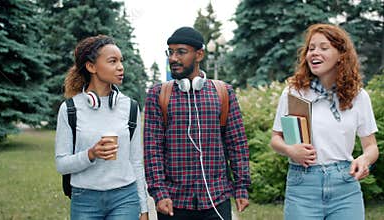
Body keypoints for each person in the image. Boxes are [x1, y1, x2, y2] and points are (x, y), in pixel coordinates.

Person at [271, 23, 379, 220]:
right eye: (311, 48)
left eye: (323, 47)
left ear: (341, 55)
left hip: (345, 186)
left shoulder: (358, 97)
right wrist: (290, 150)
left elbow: (371, 146)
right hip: (303, 185)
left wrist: (364, 159)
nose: (314, 53)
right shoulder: (294, 92)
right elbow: (276, 138)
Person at [143, 27, 251, 220]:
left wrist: (241, 187)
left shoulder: (223, 92)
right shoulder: (158, 95)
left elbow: (237, 143)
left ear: (199, 54)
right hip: (173, 202)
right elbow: (153, 150)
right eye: (171, 52)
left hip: (216, 199)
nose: (173, 58)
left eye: (181, 52)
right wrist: (159, 193)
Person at [55, 35, 148, 220]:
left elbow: (136, 161)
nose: (121, 67)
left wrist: (143, 207)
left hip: (125, 198)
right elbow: (62, 164)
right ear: (91, 67)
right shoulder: (70, 109)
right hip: (85, 200)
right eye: (112, 61)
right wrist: (91, 154)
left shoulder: (130, 107)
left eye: (121, 61)